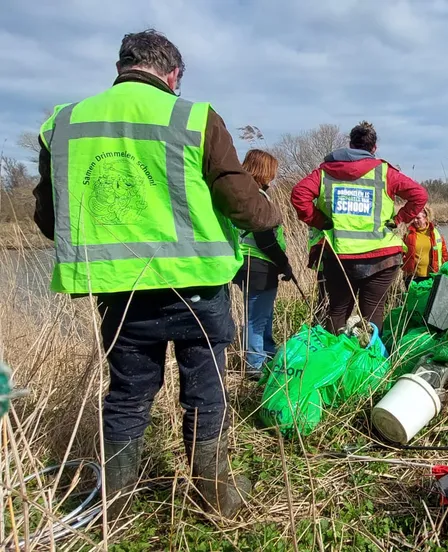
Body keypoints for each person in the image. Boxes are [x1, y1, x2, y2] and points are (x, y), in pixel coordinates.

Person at [32, 29, 279, 522]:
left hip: (120, 292)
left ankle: (115, 504)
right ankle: (215, 495)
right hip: (197, 288)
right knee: (205, 390)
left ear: (122, 67)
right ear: (173, 75)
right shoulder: (195, 117)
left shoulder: (65, 122)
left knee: (127, 393)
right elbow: (238, 200)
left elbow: (47, 217)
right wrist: (268, 217)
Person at [291, 121, 427, 334]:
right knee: (373, 312)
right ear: (374, 148)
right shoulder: (384, 172)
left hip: (339, 255)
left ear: (350, 145)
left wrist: (321, 221)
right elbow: (419, 195)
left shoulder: (325, 172)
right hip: (381, 256)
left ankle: (335, 360)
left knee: (337, 311)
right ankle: (372, 361)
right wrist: (399, 219)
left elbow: (299, 195)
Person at [232, 149, 293, 381]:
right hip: (259, 265)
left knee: (263, 315)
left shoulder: (238, 194)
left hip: (243, 263)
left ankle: (268, 353)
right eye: (272, 171)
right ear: (263, 171)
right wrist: (285, 264)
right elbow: (265, 238)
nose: (274, 176)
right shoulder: (257, 198)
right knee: (256, 319)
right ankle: (255, 366)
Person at [402, 206, 448, 286]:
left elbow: (444, 254)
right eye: (413, 218)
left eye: (418, 218)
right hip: (413, 277)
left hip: (432, 276)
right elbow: (402, 253)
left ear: (426, 218)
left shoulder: (435, 234)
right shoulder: (408, 234)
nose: (415, 220)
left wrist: (446, 270)